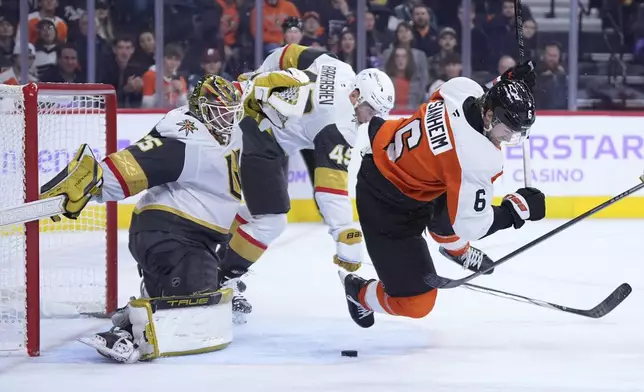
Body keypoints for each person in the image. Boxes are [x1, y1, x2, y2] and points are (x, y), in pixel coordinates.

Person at [40, 72, 313, 363]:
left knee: (219, 285)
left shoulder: (231, 122)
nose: (227, 118)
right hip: (173, 237)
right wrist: (95, 180)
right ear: (201, 108)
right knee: (200, 308)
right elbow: (142, 162)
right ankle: (125, 333)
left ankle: (149, 301)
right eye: (219, 111)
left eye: (231, 111)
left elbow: (247, 87)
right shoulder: (191, 135)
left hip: (185, 239)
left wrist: (293, 77)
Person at [339, 62, 545, 328]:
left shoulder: (458, 88)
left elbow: (483, 96)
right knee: (417, 304)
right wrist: (515, 210)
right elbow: (472, 224)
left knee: (456, 196)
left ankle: (455, 249)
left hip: (399, 162)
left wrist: (507, 81)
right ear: (489, 116)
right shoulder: (475, 158)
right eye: (507, 130)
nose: (508, 138)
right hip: (384, 205)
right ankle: (359, 294)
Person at [222, 44, 395, 286]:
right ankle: (221, 277)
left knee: (258, 209)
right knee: (271, 221)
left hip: (250, 120)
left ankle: (213, 252)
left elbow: (287, 53)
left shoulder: (338, 66)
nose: (369, 119)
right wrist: (346, 235)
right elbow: (329, 190)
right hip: (260, 139)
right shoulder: (340, 126)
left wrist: (258, 76)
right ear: (356, 96)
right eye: (369, 110)